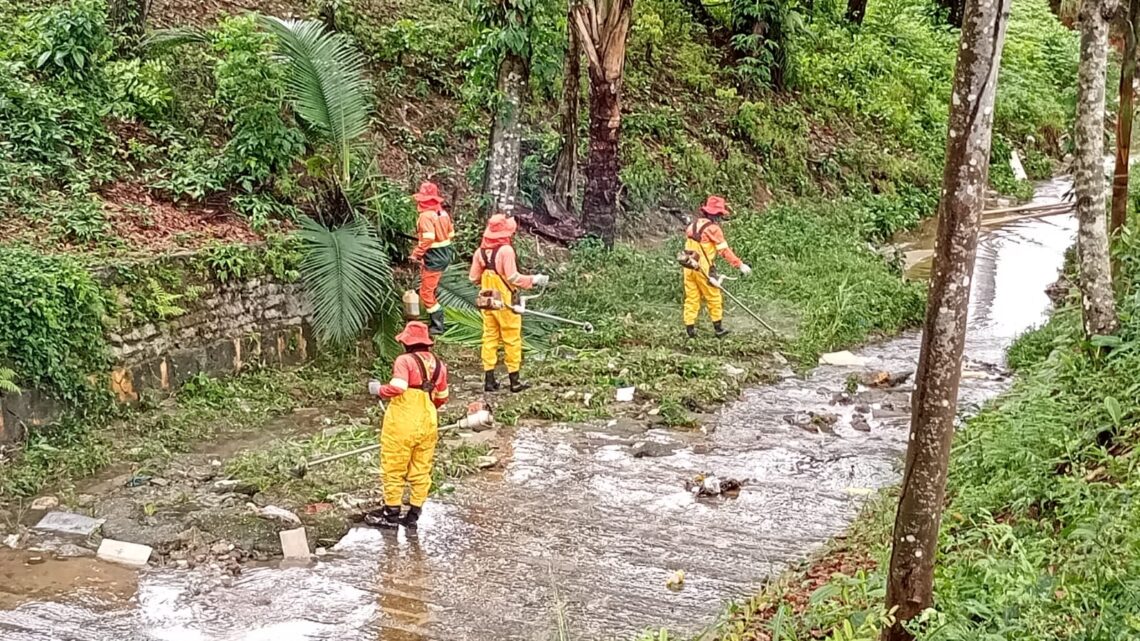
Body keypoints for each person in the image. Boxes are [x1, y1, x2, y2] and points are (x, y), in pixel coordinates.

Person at [365, 321, 449, 529]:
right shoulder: (438, 364)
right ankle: (413, 513)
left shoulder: (404, 360)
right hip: (428, 420)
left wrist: (378, 390)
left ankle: (391, 514)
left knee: (394, 466)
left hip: (403, 421)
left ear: (406, 343)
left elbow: (398, 387)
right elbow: (442, 397)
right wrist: (427, 407)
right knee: (421, 468)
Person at [469, 213, 549, 393]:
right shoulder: (506, 251)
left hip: (487, 299)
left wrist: (488, 277)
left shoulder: (480, 252)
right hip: (505, 301)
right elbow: (513, 277)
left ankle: (489, 380)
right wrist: (534, 280)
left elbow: (473, 277)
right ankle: (514, 381)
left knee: (489, 337)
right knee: (511, 337)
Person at [682, 195, 752, 338]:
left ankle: (690, 329)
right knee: (714, 297)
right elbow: (724, 251)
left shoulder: (692, 225)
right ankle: (718, 329)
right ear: (716, 214)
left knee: (692, 298)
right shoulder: (713, 229)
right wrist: (739, 264)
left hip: (688, 267)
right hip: (703, 270)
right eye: (719, 214)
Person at [410, 181, 454, 336]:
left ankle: (437, 325)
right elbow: (451, 234)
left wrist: (417, 253)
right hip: (444, 255)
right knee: (429, 286)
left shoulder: (425, 217)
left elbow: (428, 238)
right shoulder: (443, 214)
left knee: (426, 293)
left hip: (434, 258)